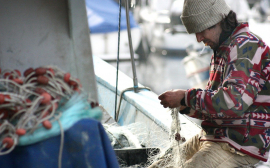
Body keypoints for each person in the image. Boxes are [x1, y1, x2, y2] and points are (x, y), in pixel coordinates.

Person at [156, 0, 270, 167]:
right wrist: (183, 105)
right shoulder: (224, 47)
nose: (198, 38)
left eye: (200, 31)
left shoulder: (245, 46)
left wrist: (185, 98)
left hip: (239, 145)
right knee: (162, 164)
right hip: (215, 136)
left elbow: (233, 103)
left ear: (217, 22)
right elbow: (216, 110)